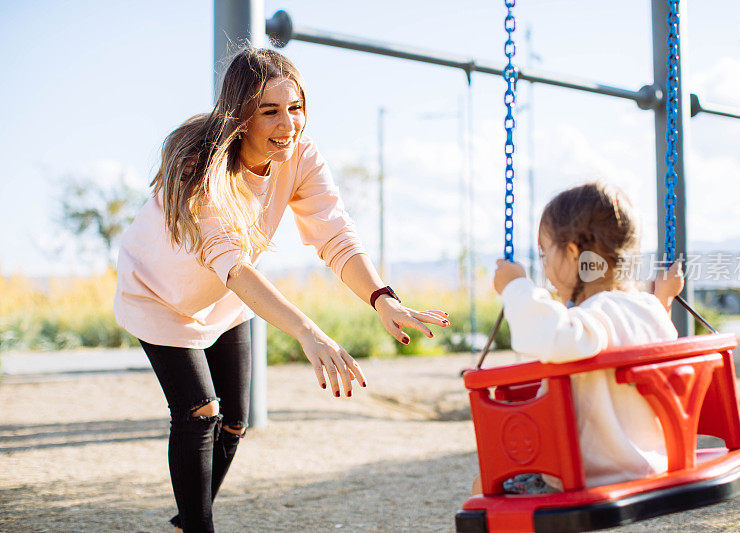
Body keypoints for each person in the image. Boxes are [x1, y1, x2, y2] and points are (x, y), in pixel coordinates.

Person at [114, 48, 449, 532]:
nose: (288, 123)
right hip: (157, 292)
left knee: (235, 421)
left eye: (295, 107)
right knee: (201, 411)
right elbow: (232, 266)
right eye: (270, 111)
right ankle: (199, 524)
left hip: (226, 294)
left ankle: (190, 516)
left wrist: (382, 297)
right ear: (240, 117)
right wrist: (308, 333)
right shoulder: (200, 168)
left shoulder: (301, 155)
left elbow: (334, 233)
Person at [473, 181, 684, 496]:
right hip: (650, 462)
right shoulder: (648, 310)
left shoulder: (594, 316)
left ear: (572, 253)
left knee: (483, 488)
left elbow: (555, 336)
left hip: (589, 474)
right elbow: (650, 334)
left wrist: (517, 287)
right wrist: (664, 299)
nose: (544, 268)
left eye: (545, 254)